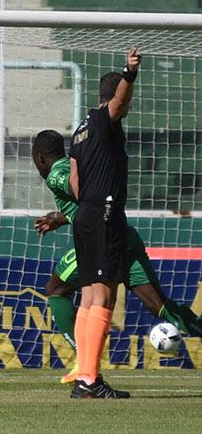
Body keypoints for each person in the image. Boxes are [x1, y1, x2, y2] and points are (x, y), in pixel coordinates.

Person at [32, 129, 202, 385]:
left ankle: (84, 360)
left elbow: (84, 194)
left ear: (40, 158)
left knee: (56, 289)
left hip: (100, 241)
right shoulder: (68, 165)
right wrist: (63, 216)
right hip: (125, 235)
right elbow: (88, 202)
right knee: (157, 304)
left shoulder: (57, 174)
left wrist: (76, 205)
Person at [67, 47, 142, 399]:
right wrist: (130, 74)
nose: (124, 109)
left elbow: (75, 183)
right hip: (105, 214)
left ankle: (83, 373)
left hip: (85, 216)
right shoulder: (103, 119)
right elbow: (118, 103)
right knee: (105, 295)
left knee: (87, 295)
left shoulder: (80, 130)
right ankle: (89, 379)